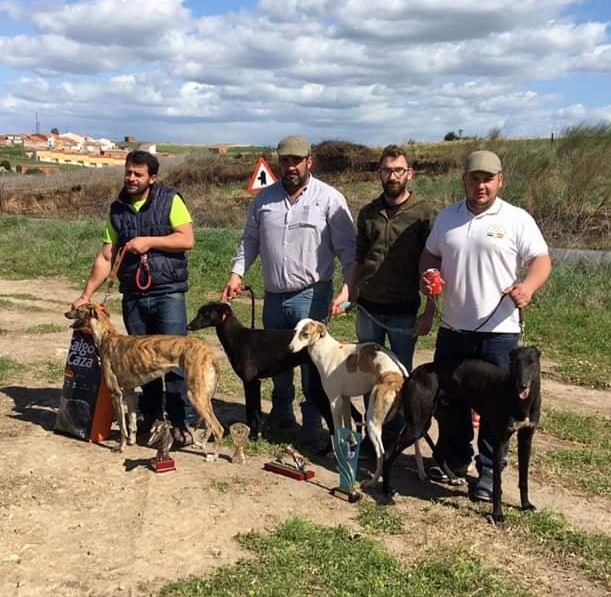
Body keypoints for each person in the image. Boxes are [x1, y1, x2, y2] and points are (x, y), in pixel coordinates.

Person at [420, 149, 552, 501]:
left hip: (499, 332)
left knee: (498, 408)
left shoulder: (516, 218)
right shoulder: (447, 218)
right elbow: (430, 254)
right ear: (464, 180)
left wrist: (528, 287)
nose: (481, 185)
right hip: (453, 328)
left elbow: (541, 260)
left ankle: (489, 474)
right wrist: (429, 273)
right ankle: (454, 459)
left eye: (488, 179)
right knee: (450, 400)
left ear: (500, 181)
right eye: (474, 178)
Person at [221, 135, 355, 450]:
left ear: (310, 161)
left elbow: (349, 250)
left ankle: (312, 425)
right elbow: (249, 240)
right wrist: (236, 272)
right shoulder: (263, 200)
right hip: (274, 296)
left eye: (297, 160)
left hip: (312, 295)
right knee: (274, 362)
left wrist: (349, 288)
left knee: (312, 364)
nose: (291, 167)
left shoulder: (329, 198)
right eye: (285, 161)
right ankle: (281, 416)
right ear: (279, 162)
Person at [70, 149, 196, 442]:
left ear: (152, 178)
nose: (131, 178)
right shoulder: (117, 210)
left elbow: (186, 239)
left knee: (175, 359)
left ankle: (180, 423)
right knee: (141, 363)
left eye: (138, 174)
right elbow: (105, 257)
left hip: (168, 293)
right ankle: (151, 418)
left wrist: (148, 242)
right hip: (135, 297)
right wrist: (86, 294)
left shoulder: (171, 200)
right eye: (128, 172)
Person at [348, 144, 435, 373]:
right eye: (387, 170)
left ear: (410, 173)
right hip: (368, 309)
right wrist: (348, 291)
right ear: (380, 174)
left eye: (398, 170)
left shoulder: (424, 213)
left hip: (404, 311)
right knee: (367, 373)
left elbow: (434, 265)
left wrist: (429, 311)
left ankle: (400, 411)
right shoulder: (368, 212)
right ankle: (371, 411)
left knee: (400, 374)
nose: (393, 176)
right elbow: (359, 258)